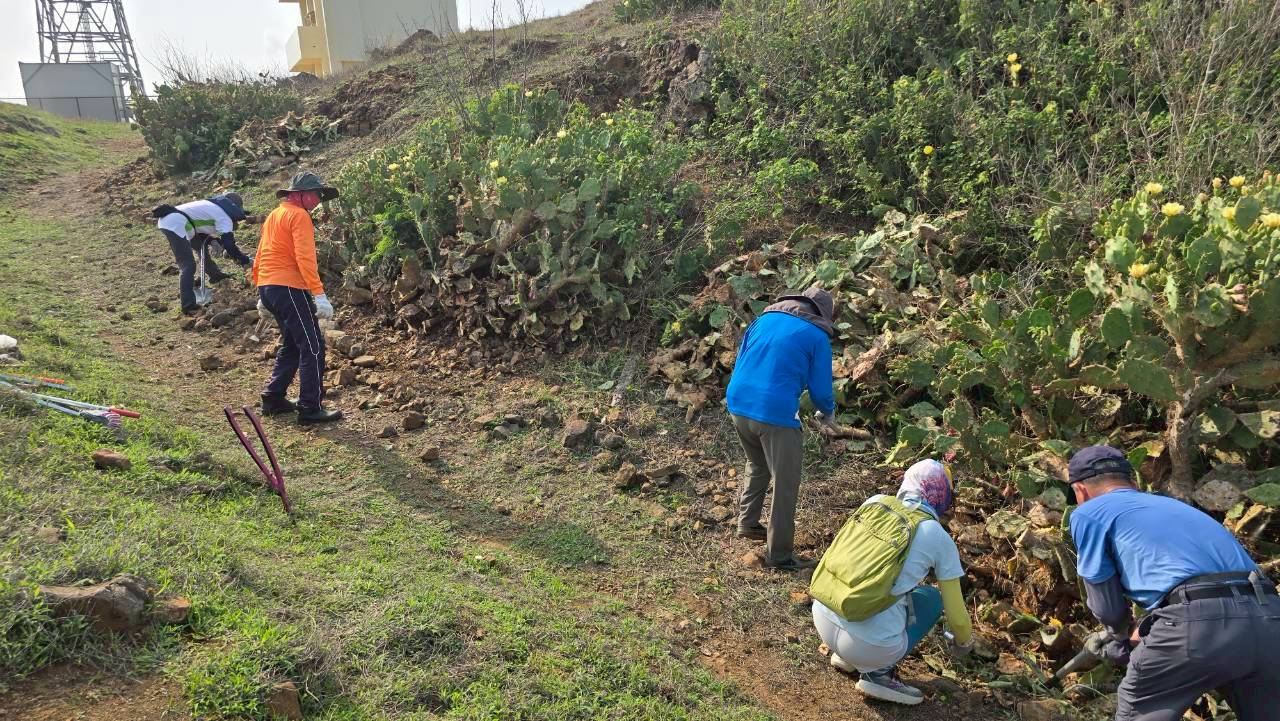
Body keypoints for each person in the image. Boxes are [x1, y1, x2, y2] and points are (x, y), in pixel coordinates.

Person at [1067, 445, 1279, 721]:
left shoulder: (1089, 512)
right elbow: (1205, 590)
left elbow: (1107, 605)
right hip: (1269, 618)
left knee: (1139, 710)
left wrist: (1118, 634)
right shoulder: (1174, 506)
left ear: (1080, 490)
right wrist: (1142, 632)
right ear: (1132, 483)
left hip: (1197, 625)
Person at [809, 460, 975, 706]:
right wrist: (964, 644)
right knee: (931, 598)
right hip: (869, 646)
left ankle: (847, 657)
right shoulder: (936, 536)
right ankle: (877, 674)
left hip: (823, 615)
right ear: (942, 495)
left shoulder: (874, 502)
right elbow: (958, 618)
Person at [725, 285, 840, 570]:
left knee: (757, 462)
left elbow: (741, 360)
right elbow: (822, 389)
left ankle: (748, 523)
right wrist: (828, 412)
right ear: (822, 313)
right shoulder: (816, 336)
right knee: (785, 485)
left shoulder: (762, 320)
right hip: (773, 413)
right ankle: (780, 556)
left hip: (737, 402)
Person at [253, 171, 342, 425]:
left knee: (292, 345)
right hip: (289, 288)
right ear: (300, 194)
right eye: (315, 194)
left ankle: (273, 398)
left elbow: (261, 252)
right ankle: (310, 407)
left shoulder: (275, 214)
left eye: (320, 196)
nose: (318, 201)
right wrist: (319, 294)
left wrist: (261, 289)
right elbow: (305, 258)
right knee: (313, 347)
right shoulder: (299, 215)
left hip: (270, 286)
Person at [155, 193, 253, 314]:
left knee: (200, 245)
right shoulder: (225, 217)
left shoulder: (213, 207)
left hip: (182, 222)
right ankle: (188, 305)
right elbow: (229, 245)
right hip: (175, 223)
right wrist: (245, 260)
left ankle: (215, 275)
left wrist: (213, 240)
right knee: (188, 265)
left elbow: (200, 228)